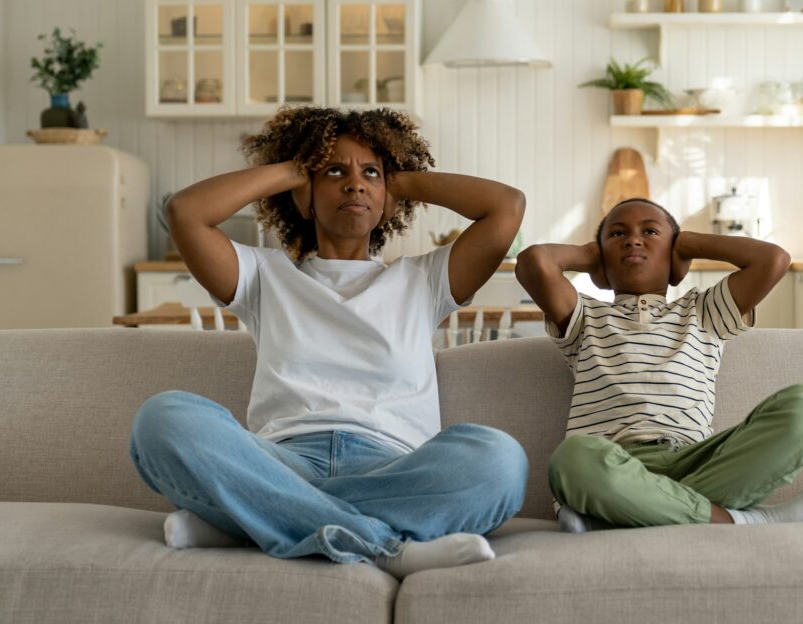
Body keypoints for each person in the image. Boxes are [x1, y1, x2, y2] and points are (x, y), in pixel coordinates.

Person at [129, 107, 529, 578]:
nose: (354, 184)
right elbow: (186, 212)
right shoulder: (263, 276)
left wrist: (398, 181)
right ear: (304, 198)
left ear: (388, 201)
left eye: (370, 174)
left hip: (394, 468)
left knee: (500, 460)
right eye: (334, 171)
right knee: (163, 419)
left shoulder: (424, 280)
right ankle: (384, 545)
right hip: (281, 461)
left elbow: (507, 206)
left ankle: (252, 522)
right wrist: (297, 168)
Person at [514, 197, 803, 532]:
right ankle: (741, 520)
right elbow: (533, 263)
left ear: (674, 254)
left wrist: (689, 245)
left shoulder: (702, 312)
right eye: (617, 234)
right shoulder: (585, 316)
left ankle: (619, 515)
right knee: (571, 459)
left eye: (650, 232)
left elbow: (773, 260)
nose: (633, 240)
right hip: (613, 462)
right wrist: (595, 257)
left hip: (696, 460)